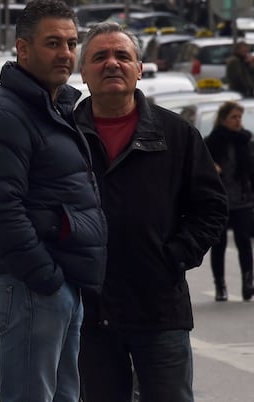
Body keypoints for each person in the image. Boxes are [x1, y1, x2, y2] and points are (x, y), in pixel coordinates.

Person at [74, 21, 228, 402]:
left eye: (122, 56)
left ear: (139, 69)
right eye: (100, 57)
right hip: (88, 315)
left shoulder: (176, 134)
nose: (112, 63)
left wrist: (174, 257)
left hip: (159, 311)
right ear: (84, 72)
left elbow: (211, 207)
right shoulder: (64, 136)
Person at [0, 0, 108, 402]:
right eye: (53, 43)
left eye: (71, 42)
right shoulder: (5, 116)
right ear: (22, 49)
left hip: (57, 284)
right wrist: (46, 279)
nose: (65, 53)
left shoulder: (55, 107)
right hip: (32, 286)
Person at [204, 101, 254, 302]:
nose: (238, 121)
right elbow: (201, 169)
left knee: (244, 242)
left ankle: (248, 283)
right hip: (220, 201)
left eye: (240, 117)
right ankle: (220, 285)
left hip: (242, 199)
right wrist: (211, 168)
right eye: (234, 117)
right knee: (220, 244)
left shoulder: (246, 141)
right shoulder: (212, 142)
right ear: (224, 119)